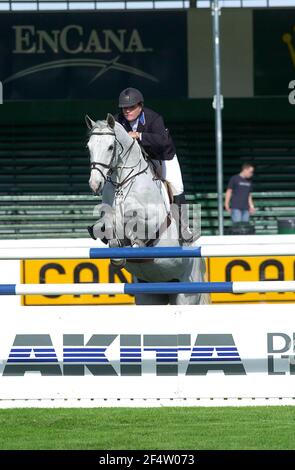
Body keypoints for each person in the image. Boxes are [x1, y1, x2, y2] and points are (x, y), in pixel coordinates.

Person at [115, 87, 196, 243]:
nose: (127, 111)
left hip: (162, 157)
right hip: (138, 161)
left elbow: (163, 141)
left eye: (131, 107)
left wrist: (140, 135)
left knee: (177, 187)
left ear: (140, 106)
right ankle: (109, 224)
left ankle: (184, 227)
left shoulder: (154, 118)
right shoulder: (118, 120)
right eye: (124, 108)